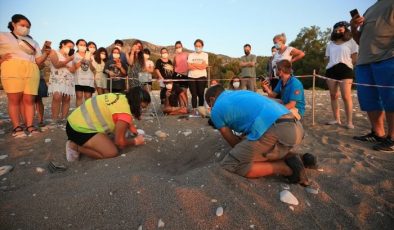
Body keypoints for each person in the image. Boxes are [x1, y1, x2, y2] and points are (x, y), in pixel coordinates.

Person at [205, 85, 308, 185]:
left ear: (212, 99)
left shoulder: (216, 109)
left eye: (210, 105)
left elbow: (232, 142)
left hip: (276, 130)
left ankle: (285, 168)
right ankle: (302, 159)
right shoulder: (241, 93)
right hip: (295, 126)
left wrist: (241, 150)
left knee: (231, 163)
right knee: (255, 147)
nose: (211, 108)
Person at [351, 1, 394, 152]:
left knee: (391, 98)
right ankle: (378, 134)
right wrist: (353, 26)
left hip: (387, 57)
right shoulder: (370, 9)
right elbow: (359, 40)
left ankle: (392, 138)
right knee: (369, 100)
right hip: (364, 61)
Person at [65, 86, 150, 161]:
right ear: (136, 104)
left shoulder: (121, 96)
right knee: (111, 152)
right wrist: (135, 141)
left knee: (115, 136)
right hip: (78, 130)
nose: (142, 111)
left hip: (73, 121)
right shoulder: (124, 113)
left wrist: (133, 130)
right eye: (142, 108)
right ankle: (74, 147)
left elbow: (124, 119)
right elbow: (119, 143)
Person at [0, 14, 51, 137]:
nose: (25, 28)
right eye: (22, 25)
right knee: (15, 100)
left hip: (32, 69)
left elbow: (38, 61)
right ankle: (17, 127)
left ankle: (30, 125)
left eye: (28, 26)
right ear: (13, 24)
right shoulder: (3, 36)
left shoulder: (33, 41)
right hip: (12, 67)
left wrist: (46, 54)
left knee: (29, 100)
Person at [325, 21, 358, 129]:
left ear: (345, 30)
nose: (338, 31)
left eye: (340, 29)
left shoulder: (351, 41)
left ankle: (349, 122)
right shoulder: (330, 44)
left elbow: (354, 57)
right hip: (331, 70)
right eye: (336, 29)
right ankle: (336, 119)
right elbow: (328, 58)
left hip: (346, 69)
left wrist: (349, 66)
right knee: (333, 95)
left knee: (346, 96)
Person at [48, 39, 76, 125]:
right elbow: (56, 64)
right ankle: (54, 119)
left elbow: (73, 69)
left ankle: (64, 118)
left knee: (67, 98)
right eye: (69, 46)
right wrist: (68, 60)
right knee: (57, 96)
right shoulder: (54, 52)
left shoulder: (71, 56)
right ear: (63, 45)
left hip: (68, 79)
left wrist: (71, 65)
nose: (71, 48)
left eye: (72, 47)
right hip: (57, 78)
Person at [188, 39, 208, 115]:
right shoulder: (191, 55)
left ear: (202, 46)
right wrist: (199, 65)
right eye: (196, 46)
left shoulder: (205, 55)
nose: (198, 47)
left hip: (201, 76)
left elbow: (204, 66)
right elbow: (189, 67)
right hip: (191, 77)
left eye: (199, 46)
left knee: (201, 93)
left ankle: (200, 109)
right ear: (194, 46)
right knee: (193, 94)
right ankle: (194, 109)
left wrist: (193, 64)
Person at [74, 39, 95, 107]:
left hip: (89, 80)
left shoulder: (91, 55)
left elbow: (93, 69)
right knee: (79, 96)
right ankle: (78, 114)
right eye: (81, 45)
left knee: (88, 97)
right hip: (78, 79)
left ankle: (87, 114)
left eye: (84, 45)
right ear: (77, 45)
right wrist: (81, 61)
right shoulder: (74, 55)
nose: (83, 46)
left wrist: (91, 63)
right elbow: (73, 68)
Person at [173, 41, 189, 107]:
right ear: (175, 48)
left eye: (179, 47)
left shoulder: (187, 54)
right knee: (179, 92)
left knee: (184, 92)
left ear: (182, 47)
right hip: (176, 75)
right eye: (176, 47)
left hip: (185, 75)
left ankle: (186, 106)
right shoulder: (175, 56)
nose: (178, 48)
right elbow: (174, 66)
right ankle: (181, 107)